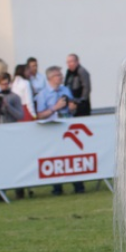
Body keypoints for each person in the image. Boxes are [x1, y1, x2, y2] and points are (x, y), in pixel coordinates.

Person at [35, 66, 82, 195]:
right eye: (57, 75)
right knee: (55, 158)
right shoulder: (42, 95)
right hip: (52, 129)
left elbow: (71, 107)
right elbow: (40, 115)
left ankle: (78, 185)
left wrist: (72, 107)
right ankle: (57, 187)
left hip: (67, 129)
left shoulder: (65, 90)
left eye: (60, 75)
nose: (61, 77)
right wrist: (55, 108)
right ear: (50, 78)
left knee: (72, 156)